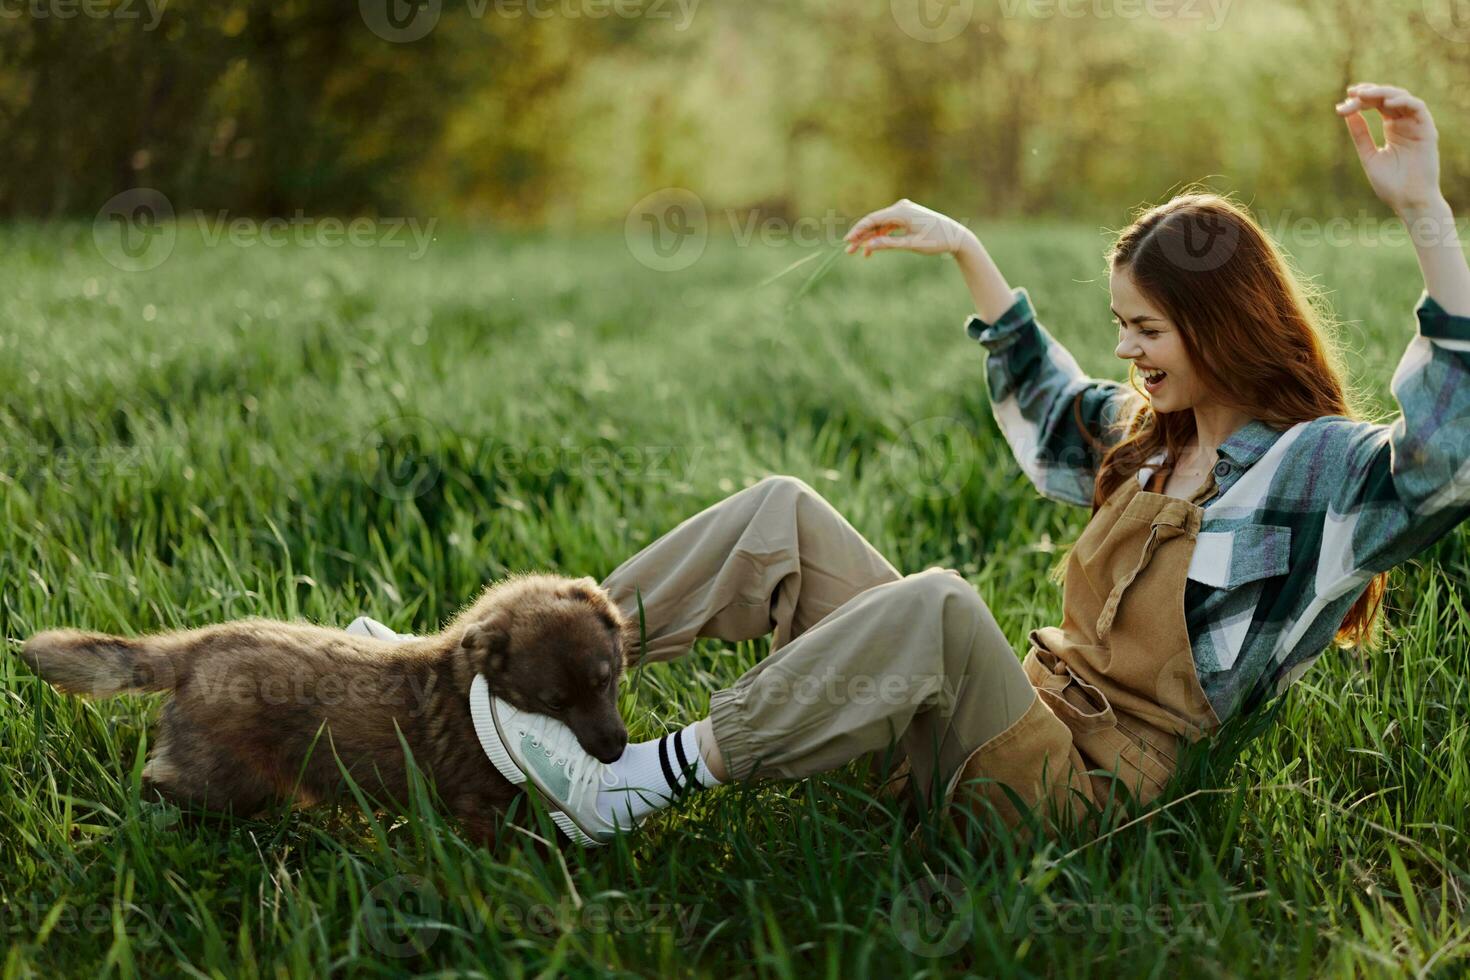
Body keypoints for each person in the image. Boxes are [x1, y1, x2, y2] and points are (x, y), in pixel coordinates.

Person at [354, 82, 1470, 847]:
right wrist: (971, 256)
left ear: (1223, 325)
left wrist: (1424, 208)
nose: (1128, 352)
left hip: (1080, 797)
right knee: (777, 515)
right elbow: (1047, 402)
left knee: (939, 605)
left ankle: (629, 787)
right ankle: (494, 681)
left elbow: (1444, 458)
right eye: (1121, 326)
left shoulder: (1318, 478)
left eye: (1147, 331)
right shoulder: (1151, 441)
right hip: (1010, 724)